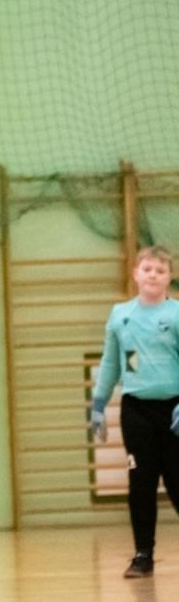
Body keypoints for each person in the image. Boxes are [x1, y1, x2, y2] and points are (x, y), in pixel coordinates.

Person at [90, 245, 179, 578]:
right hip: (136, 411)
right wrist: (98, 405)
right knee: (141, 482)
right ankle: (143, 554)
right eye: (147, 269)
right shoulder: (121, 315)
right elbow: (112, 361)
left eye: (160, 270)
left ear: (169, 276)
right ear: (136, 274)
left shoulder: (176, 315)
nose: (153, 275)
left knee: (176, 482)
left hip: (173, 411)